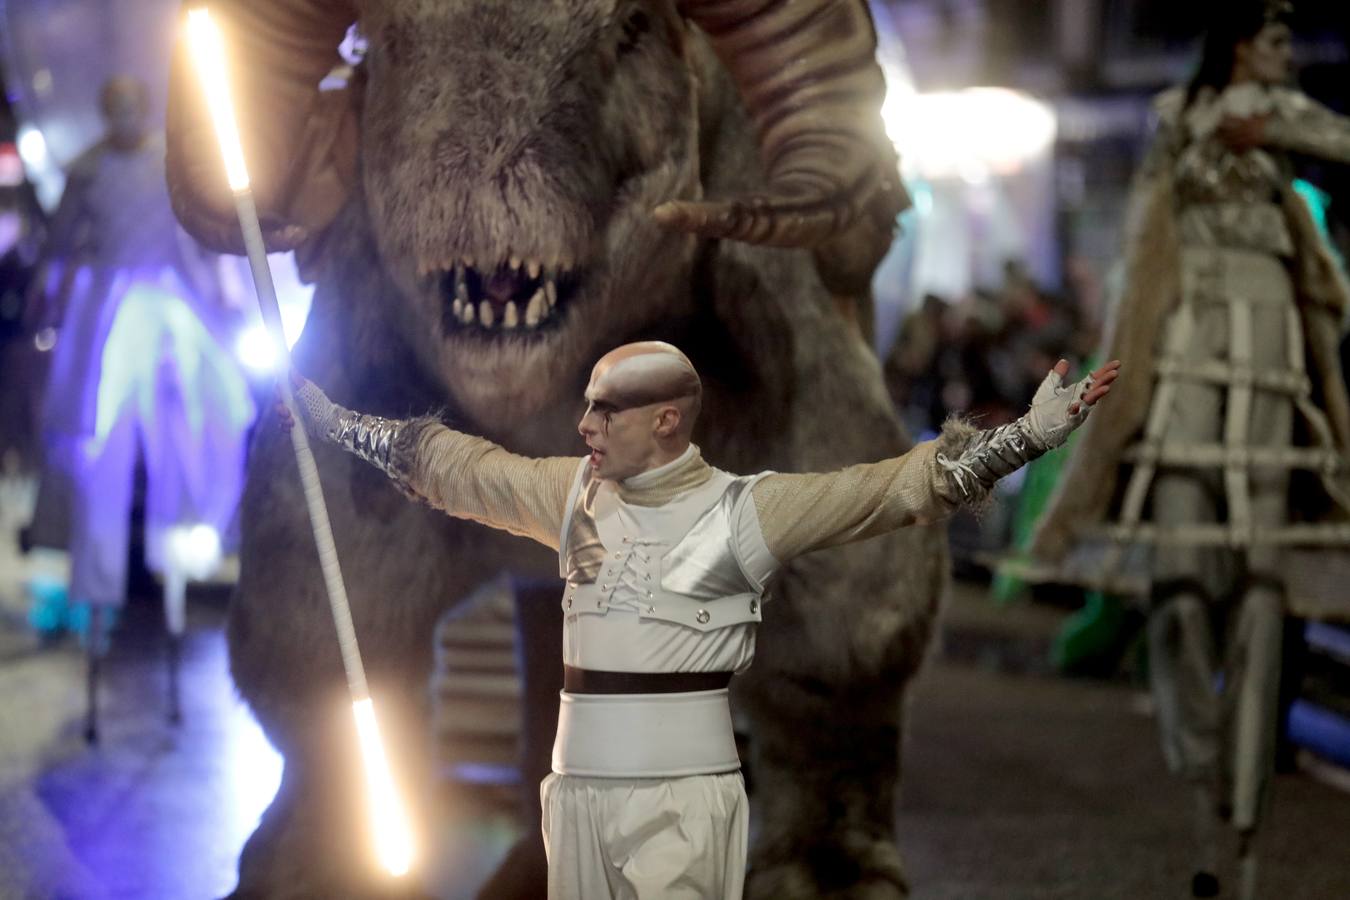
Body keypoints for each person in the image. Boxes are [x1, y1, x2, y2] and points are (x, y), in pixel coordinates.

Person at [282, 339, 1118, 899]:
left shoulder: (741, 511)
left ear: (666, 420)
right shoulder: (569, 494)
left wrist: (1026, 438)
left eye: (605, 410)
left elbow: (891, 489)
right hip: (578, 789)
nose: (584, 425)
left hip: (680, 796)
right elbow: (453, 466)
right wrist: (329, 421)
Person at [1030, 3, 1350, 897]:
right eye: (1276, 40)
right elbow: (1147, 232)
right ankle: (1202, 765)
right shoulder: (1175, 115)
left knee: (1261, 593)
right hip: (1187, 343)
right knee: (1177, 581)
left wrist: (1281, 136)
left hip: (1271, 345)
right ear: (1241, 42)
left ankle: (1244, 821)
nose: (1288, 54)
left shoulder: (1292, 118)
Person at [24, 76, 254, 736]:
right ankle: (101, 616)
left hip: (170, 327)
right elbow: (62, 247)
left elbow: (204, 241)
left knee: (185, 457)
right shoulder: (89, 169)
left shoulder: (164, 163)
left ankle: (177, 586)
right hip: (107, 330)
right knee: (99, 464)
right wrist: (49, 297)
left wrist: (226, 301)